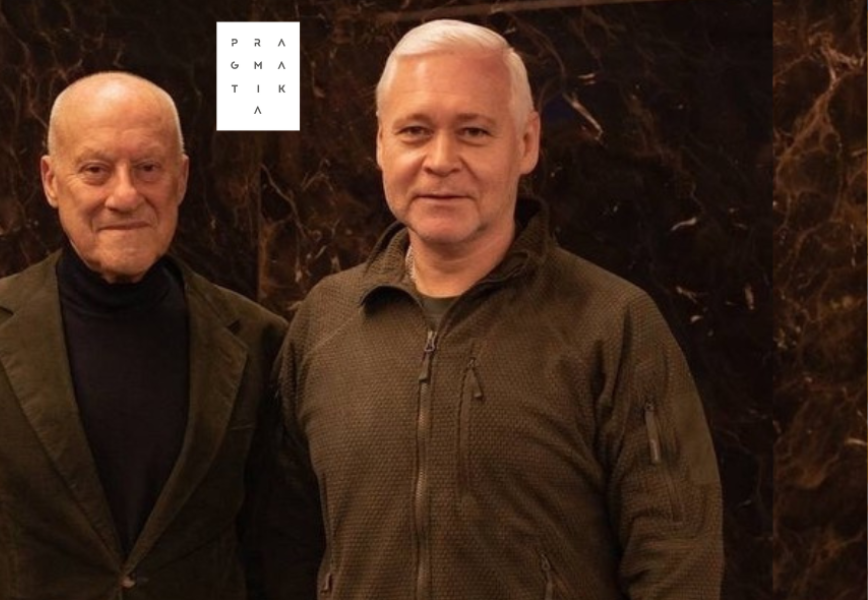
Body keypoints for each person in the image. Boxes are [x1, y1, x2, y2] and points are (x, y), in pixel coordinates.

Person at [263, 20, 723, 600]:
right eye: (414, 131)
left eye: (474, 132)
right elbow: (283, 541)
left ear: (526, 143)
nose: (440, 160)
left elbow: (678, 555)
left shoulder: (613, 322)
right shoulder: (325, 319)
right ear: (381, 143)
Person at [0, 72, 286, 599]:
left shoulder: (258, 340)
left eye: (148, 168)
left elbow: (276, 553)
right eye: (96, 170)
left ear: (182, 178)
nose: (125, 195)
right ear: (51, 181)